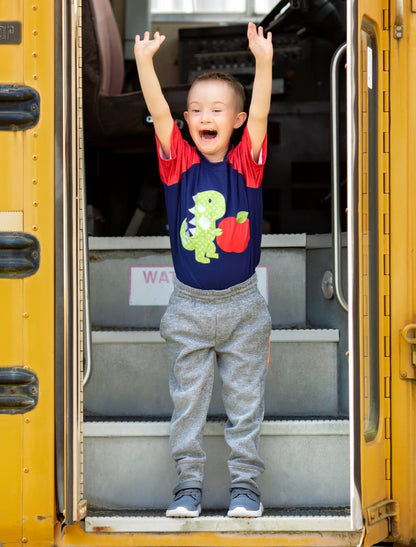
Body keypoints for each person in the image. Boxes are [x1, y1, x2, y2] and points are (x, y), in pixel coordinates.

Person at [134, 22, 273, 518]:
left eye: (217, 110)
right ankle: (188, 486)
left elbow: (260, 110)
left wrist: (262, 61)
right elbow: (156, 111)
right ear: (186, 119)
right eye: (196, 110)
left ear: (235, 121)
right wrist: (146, 64)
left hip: (242, 306)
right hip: (188, 307)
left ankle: (245, 488)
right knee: (187, 404)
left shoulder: (245, 166)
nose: (204, 117)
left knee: (244, 404)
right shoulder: (179, 165)